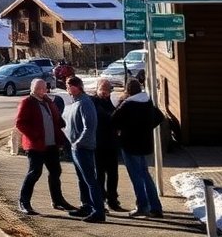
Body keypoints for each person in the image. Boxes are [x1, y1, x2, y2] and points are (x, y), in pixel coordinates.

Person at [15, 78, 75, 217]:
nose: (42, 90)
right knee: (34, 172)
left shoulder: (47, 101)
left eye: (44, 88)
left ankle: (58, 200)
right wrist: (34, 135)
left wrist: (60, 123)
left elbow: (55, 117)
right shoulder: (27, 102)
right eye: (38, 88)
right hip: (36, 145)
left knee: (55, 172)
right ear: (33, 89)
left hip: (51, 144)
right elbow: (20, 123)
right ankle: (24, 202)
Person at [111, 78, 165, 218]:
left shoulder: (127, 104)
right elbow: (160, 116)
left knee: (136, 177)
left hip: (130, 144)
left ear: (127, 90)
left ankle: (142, 206)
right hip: (145, 143)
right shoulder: (147, 102)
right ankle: (155, 207)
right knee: (145, 175)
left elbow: (113, 120)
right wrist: (147, 127)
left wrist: (123, 129)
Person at [62, 76, 106, 222]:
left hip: (83, 148)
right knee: (82, 179)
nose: (67, 89)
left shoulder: (85, 102)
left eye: (69, 86)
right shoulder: (75, 102)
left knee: (90, 180)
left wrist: (79, 142)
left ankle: (98, 211)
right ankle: (86, 205)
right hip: (75, 147)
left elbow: (90, 126)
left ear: (77, 87)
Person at [91, 77, 125, 211]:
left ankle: (112, 200)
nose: (104, 92)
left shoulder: (109, 102)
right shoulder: (94, 102)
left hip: (111, 143)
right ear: (97, 89)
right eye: (102, 89)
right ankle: (100, 201)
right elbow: (106, 117)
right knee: (99, 174)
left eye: (107, 89)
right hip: (98, 144)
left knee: (113, 174)